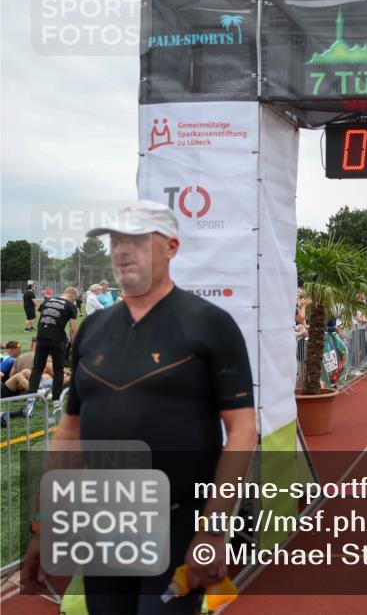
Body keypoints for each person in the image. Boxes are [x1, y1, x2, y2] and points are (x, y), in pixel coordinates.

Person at [21, 200, 257, 614]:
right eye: (116, 241)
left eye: (137, 239)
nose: (122, 250)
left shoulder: (209, 324)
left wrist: (214, 530)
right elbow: (70, 431)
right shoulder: (93, 327)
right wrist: (46, 525)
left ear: (171, 247)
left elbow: (242, 429)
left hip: (178, 523)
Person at [27, 287, 77, 402]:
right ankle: (56, 398)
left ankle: (30, 396)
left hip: (41, 336)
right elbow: (73, 329)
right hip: (57, 338)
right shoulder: (70, 305)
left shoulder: (47, 301)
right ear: (72, 297)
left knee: (37, 367)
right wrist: (73, 345)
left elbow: (43, 317)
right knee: (58, 369)